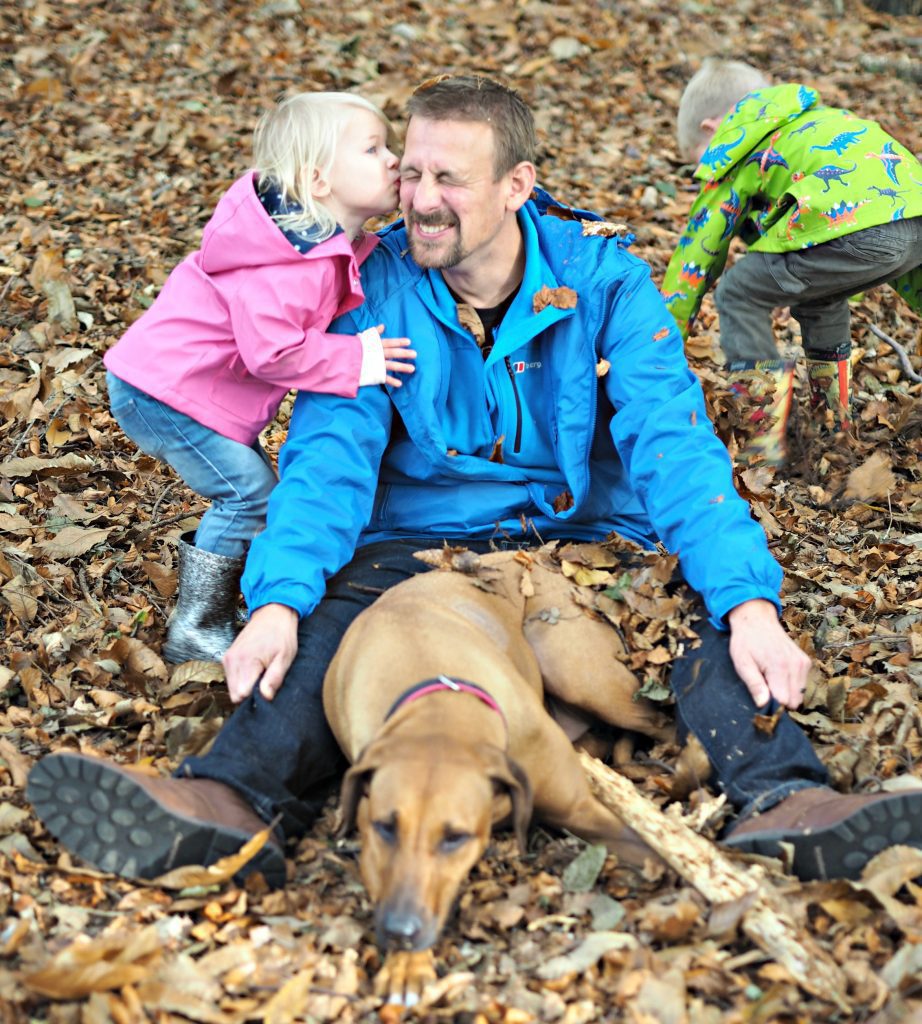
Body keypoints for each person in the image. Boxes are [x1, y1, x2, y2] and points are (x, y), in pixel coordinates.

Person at [29, 75, 922, 889]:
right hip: (411, 545)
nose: (418, 199)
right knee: (313, 634)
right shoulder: (362, 285)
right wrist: (276, 598)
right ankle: (225, 803)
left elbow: (676, 450)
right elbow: (327, 461)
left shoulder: (602, 281)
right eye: (409, 171)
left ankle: (789, 803)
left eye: (449, 179)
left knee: (707, 630)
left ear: (516, 187)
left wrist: (750, 602)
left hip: (585, 537)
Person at [103, 91, 416, 664]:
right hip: (162, 389)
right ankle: (196, 628)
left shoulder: (317, 242)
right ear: (319, 181)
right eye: (374, 149)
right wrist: (356, 360)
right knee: (249, 495)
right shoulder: (286, 263)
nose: (393, 158)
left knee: (254, 490)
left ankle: (238, 602)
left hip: (188, 386)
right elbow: (272, 351)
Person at [661, 58, 922, 466]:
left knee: (738, 293)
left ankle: (760, 440)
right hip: (911, 222)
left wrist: (663, 340)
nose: (709, 173)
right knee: (820, 294)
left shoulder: (739, 144)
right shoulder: (818, 120)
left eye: (702, 159)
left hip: (851, 225)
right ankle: (831, 426)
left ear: (714, 130)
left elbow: (699, 251)